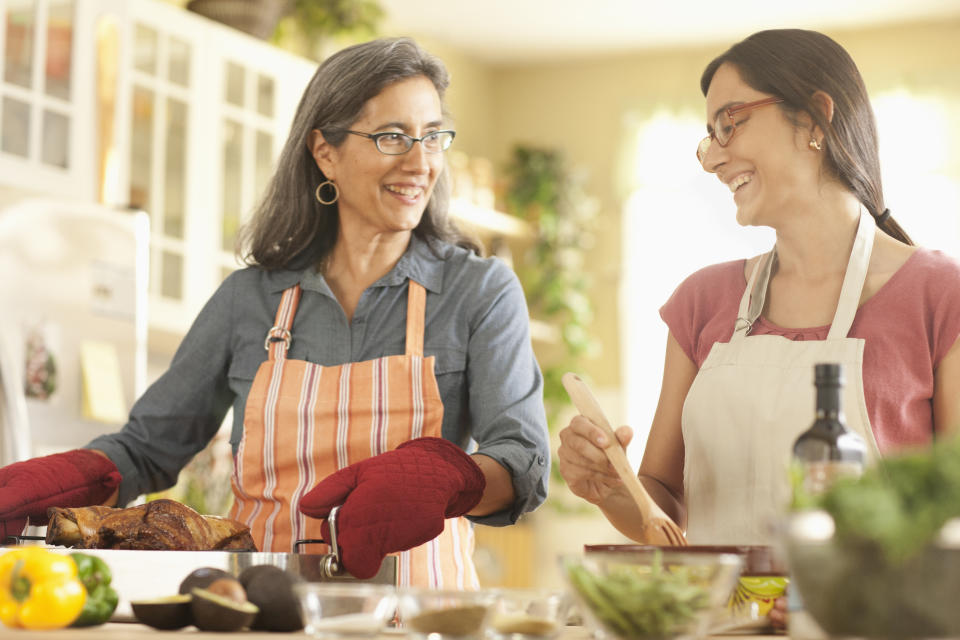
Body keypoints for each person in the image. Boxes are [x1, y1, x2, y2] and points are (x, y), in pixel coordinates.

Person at [0, 37, 550, 587]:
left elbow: (523, 456)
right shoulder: (250, 299)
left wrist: (448, 474)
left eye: (433, 136)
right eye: (392, 137)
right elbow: (147, 449)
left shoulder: (479, 290)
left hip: (422, 613)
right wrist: (66, 479)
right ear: (324, 151)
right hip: (262, 608)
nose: (420, 161)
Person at [557, 27, 960, 617]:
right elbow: (663, 510)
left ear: (816, 119)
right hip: (718, 626)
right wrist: (617, 491)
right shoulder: (702, 300)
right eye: (708, 137)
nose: (715, 157)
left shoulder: (938, 295)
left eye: (731, 122)